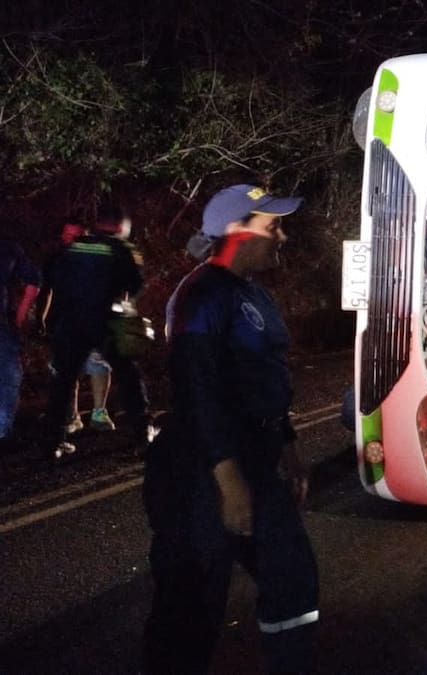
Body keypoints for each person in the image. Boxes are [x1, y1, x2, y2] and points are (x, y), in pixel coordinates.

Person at [142, 184, 317, 675]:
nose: (282, 236)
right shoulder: (201, 296)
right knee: (192, 601)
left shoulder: (254, 296)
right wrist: (227, 478)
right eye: (272, 225)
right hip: (204, 468)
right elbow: (198, 387)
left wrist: (288, 446)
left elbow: (265, 378)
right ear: (237, 230)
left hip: (258, 458)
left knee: (292, 580)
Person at [42, 205, 149, 460]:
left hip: (71, 325)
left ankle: (53, 442)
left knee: (63, 383)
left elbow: (54, 281)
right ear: (121, 227)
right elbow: (135, 286)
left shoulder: (72, 249)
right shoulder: (122, 250)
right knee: (129, 378)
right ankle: (143, 436)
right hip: (107, 324)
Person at [38, 221, 116, 435]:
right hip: (63, 321)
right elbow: (46, 290)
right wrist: (41, 317)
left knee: (97, 364)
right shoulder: (55, 260)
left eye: (77, 235)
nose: (71, 239)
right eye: (67, 234)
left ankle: (100, 412)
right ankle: (72, 416)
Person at [0, 237, 41, 447]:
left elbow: (34, 280)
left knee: (8, 375)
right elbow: (34, 281)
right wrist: (18, 318)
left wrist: (17, 319)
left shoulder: (8, 247)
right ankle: (2, 429)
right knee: (7, 376)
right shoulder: (8, 246)